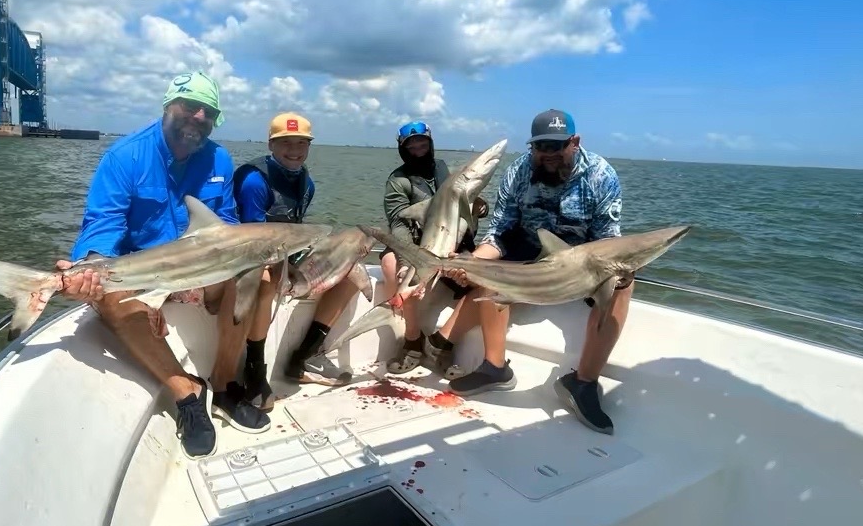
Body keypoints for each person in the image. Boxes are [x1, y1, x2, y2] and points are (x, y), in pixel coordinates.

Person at [54, 71, 271, 461]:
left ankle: (224, 386)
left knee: (250, 273)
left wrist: (243, 252)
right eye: (191, 106)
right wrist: (89, 265)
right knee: (107, 293)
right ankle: (187, 394)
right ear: (169, 105)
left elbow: (226, 222)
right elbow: (104, 224)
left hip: (198, 271)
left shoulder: (219, 159)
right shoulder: (125, 157)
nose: (199, 117)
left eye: (209, 112)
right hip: (143, 274)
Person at [435, 109, 629, 435]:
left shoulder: (600, 175)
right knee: (489, 268)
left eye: (557, 146)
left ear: (574, 142)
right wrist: (471, 262)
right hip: (528, 255)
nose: (548, 154)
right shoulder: (518, 172)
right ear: (532, 146)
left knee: (623, 284)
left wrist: (607, 270)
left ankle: (583, 383)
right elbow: (499, 232)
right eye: (541, 147)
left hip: (582, 263)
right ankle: (495, 367)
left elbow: (608, 240)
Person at [231, 112, 356, 405]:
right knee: (266, 279)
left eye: (301, 143)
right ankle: (254, 369)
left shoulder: (306, 183)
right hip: (250, 257)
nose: (294, 150)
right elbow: (252, 241)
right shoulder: (254, 181)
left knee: (352, 271)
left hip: (287, 253)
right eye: (285, 142)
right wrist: (283, 270)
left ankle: (304, 356)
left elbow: (298, 230)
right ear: (270, 145)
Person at [381, 120, 487, 376]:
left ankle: (442, 342)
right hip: (417, 247)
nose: (418, 149)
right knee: (391, 263)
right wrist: (408, 260)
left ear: (430, 144)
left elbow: (460, 205)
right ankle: (413, 340)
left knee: (487, 283)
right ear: (403, 149)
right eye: (412, 146)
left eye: (422, 144)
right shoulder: (398, 181)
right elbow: (398, 223)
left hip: (451, 247)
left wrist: (480, 207)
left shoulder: (442, 169)